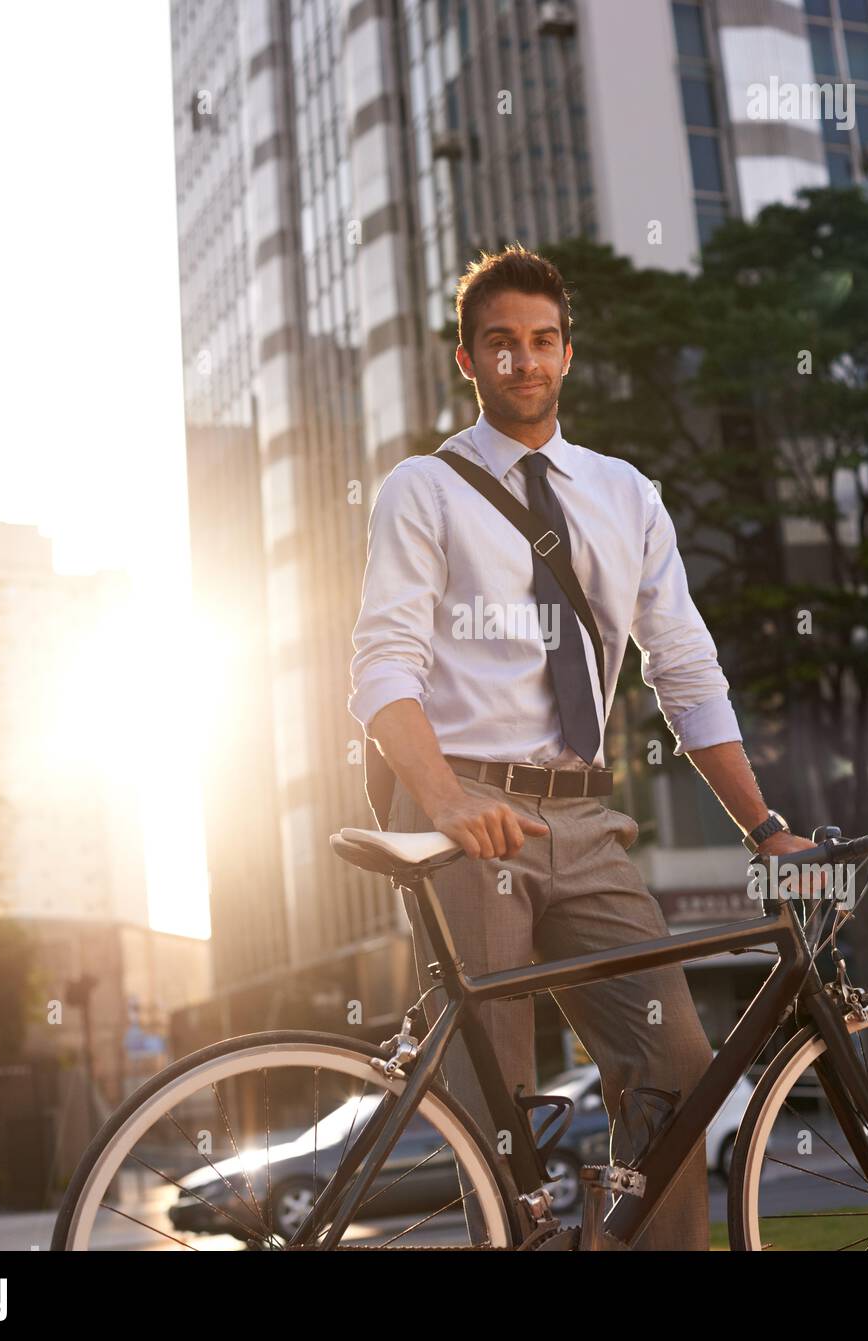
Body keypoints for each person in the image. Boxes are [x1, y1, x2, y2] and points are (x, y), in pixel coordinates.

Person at [347, 244, 814, 1249]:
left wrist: (766, 828)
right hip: (465, 808)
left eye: (542, 341)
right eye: (500, 345)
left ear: (568, 353)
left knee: (678, 1073)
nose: (524, 361)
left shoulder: (625, 494)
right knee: (496, 1102)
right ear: (466, 361)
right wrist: (443, 799)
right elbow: (381, 671)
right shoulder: (421, 491)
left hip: (585, 816)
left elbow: (683, 672)